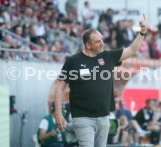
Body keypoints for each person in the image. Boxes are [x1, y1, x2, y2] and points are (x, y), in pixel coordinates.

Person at [54, 15, 147, 147]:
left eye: (102, 40)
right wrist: (58, 113)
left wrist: (142, 32)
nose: (102, 43)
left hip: (104, 117)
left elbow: (132, 49)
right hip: (82, 117)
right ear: (88, 45)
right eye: (98, 41)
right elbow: (59, 88)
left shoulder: (108, 57)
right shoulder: (73, 61)